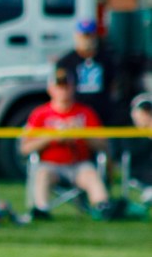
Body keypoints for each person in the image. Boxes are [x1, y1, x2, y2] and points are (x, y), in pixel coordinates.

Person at [21, 66, 112, 220]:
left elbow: (104, 146)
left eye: (66, 87)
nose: (63, 91)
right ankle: (41, 209)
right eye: (59, 87)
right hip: (51, 165)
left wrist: (81, 133)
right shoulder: (40, 114)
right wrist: (51, 136)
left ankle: (102, 207)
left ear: (73, 88)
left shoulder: (85, 113)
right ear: (51, 89)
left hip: (79, 164)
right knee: (42, 174)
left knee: (90, 174)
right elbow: (25, 148)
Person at [56, 18, 116, 125]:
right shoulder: (65, 61)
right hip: (76, 113)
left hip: (102, 112)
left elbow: (113, 85)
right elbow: (60, 89)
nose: (87, 39)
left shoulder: (106, 59)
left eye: (90, 35)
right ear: (76, 36)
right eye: (83, 36)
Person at [124, 93, 152, 204]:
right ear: (134, 113)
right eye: (143, 111)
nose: (146, 115)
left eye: (149, 111)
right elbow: (131, 155)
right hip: (140, 174)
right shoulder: (128, 134)